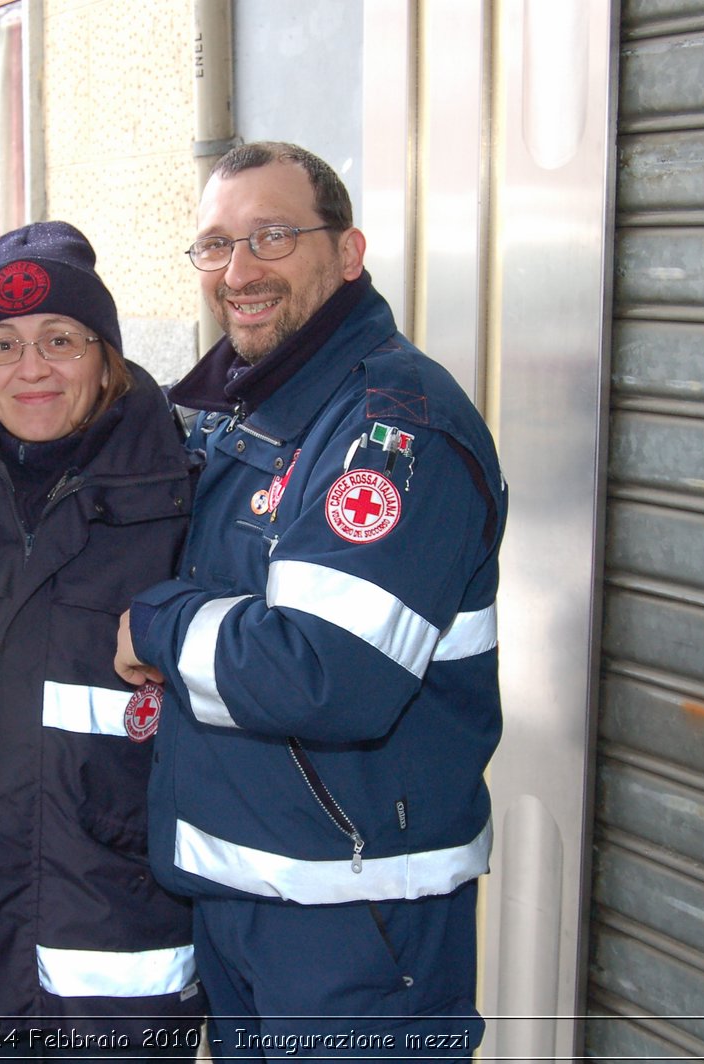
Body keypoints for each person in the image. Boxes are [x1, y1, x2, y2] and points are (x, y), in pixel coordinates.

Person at [114, 141, 506, 1057]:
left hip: (358, 922)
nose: (240, 271)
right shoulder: (249, 409)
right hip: (249, 897)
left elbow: (328, 673)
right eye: (215, 245)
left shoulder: (393, 427)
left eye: (273, 237)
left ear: (349, 251)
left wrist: (157, 624)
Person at [0, 222, 206, 1059]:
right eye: (2, 345)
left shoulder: (184, 492)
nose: (31, 369)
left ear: (107, 357)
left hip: (113, 957)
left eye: (61, 340)